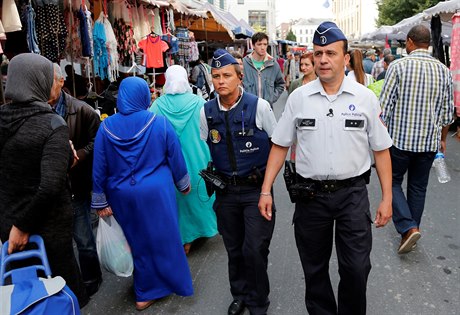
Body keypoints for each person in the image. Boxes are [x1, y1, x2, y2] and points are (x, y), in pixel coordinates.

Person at [258, 22, 393, 315]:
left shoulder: (365, 98)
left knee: (356, 268)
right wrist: (266, 190)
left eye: (330, 53)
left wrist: (386, 198)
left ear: (346, 59)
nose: (322, 60)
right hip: (311, 198)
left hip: (352, 196)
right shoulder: (299, 99)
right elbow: (280, 145)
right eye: (318, 53)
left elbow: (381, 150)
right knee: (314, 269)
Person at [91, 76, 193, 311]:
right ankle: (153, 289)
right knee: (163, 239)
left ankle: (146, 287)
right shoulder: (159, 123)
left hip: (121, 195)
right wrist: (183, 184)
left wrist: (100, 200)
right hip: (157, 194)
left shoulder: (106, 127)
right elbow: (175, 158)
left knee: (136, 241)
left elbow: (99, 167)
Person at [0, 53, 89, 307]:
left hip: (9, 225)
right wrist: (23, 226)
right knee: (57, 296)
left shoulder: (3, 119)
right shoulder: (51, 123)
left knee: (23, 296)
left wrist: (14, 225)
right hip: (45, 230)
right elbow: (50, 184)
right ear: (36, 81)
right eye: (50, 78)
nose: (56, 83)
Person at [200, 49, 277, 315]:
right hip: (226, 194)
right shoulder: (206, 111)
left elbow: (278, 146)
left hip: (256, 191)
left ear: (239, 76)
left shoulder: (259, 107)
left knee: (254, 249)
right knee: (234, 249)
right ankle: (240, 295)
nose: (220, 81)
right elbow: (206, 144)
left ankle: (258, 302)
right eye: (216, 76)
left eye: (226, 75)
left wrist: (267, 187)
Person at [380, 25, 454, 255]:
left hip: (400, 141)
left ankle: (408, 227)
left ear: (410, 42)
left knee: (392, 182)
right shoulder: (443, 71)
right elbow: (447, 113)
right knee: (418, 187)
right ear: (428, 43)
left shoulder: (398, 67)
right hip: (429, 142)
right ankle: (411, 230)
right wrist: (442, 140)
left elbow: (383, 108)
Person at [150, 65, 217, 255]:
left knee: (177, 200)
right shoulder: (198, 103)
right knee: (197, 194)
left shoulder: (157, 105)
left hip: (169, 163)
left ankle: (182, 239)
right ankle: (201, 231)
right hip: (197, 157)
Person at [48, 63, 103, 296]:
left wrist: (78, 156)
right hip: (53, 186)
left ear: (61, 82)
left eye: (48, 79)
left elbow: (97, 142)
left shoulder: (83, 111)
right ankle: (68, 283)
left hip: (76, 183)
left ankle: (92, 278)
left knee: (83, 238)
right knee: (59, 241)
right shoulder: (40, 110)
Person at [243, 32, 285, 107]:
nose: (262, 47)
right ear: (253, 46)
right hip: (248, 108)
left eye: (265, 44)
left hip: (266, 108)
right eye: (259, 44)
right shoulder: (244, 63)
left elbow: (281, 84)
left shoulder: (273, 64)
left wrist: (271, 98)